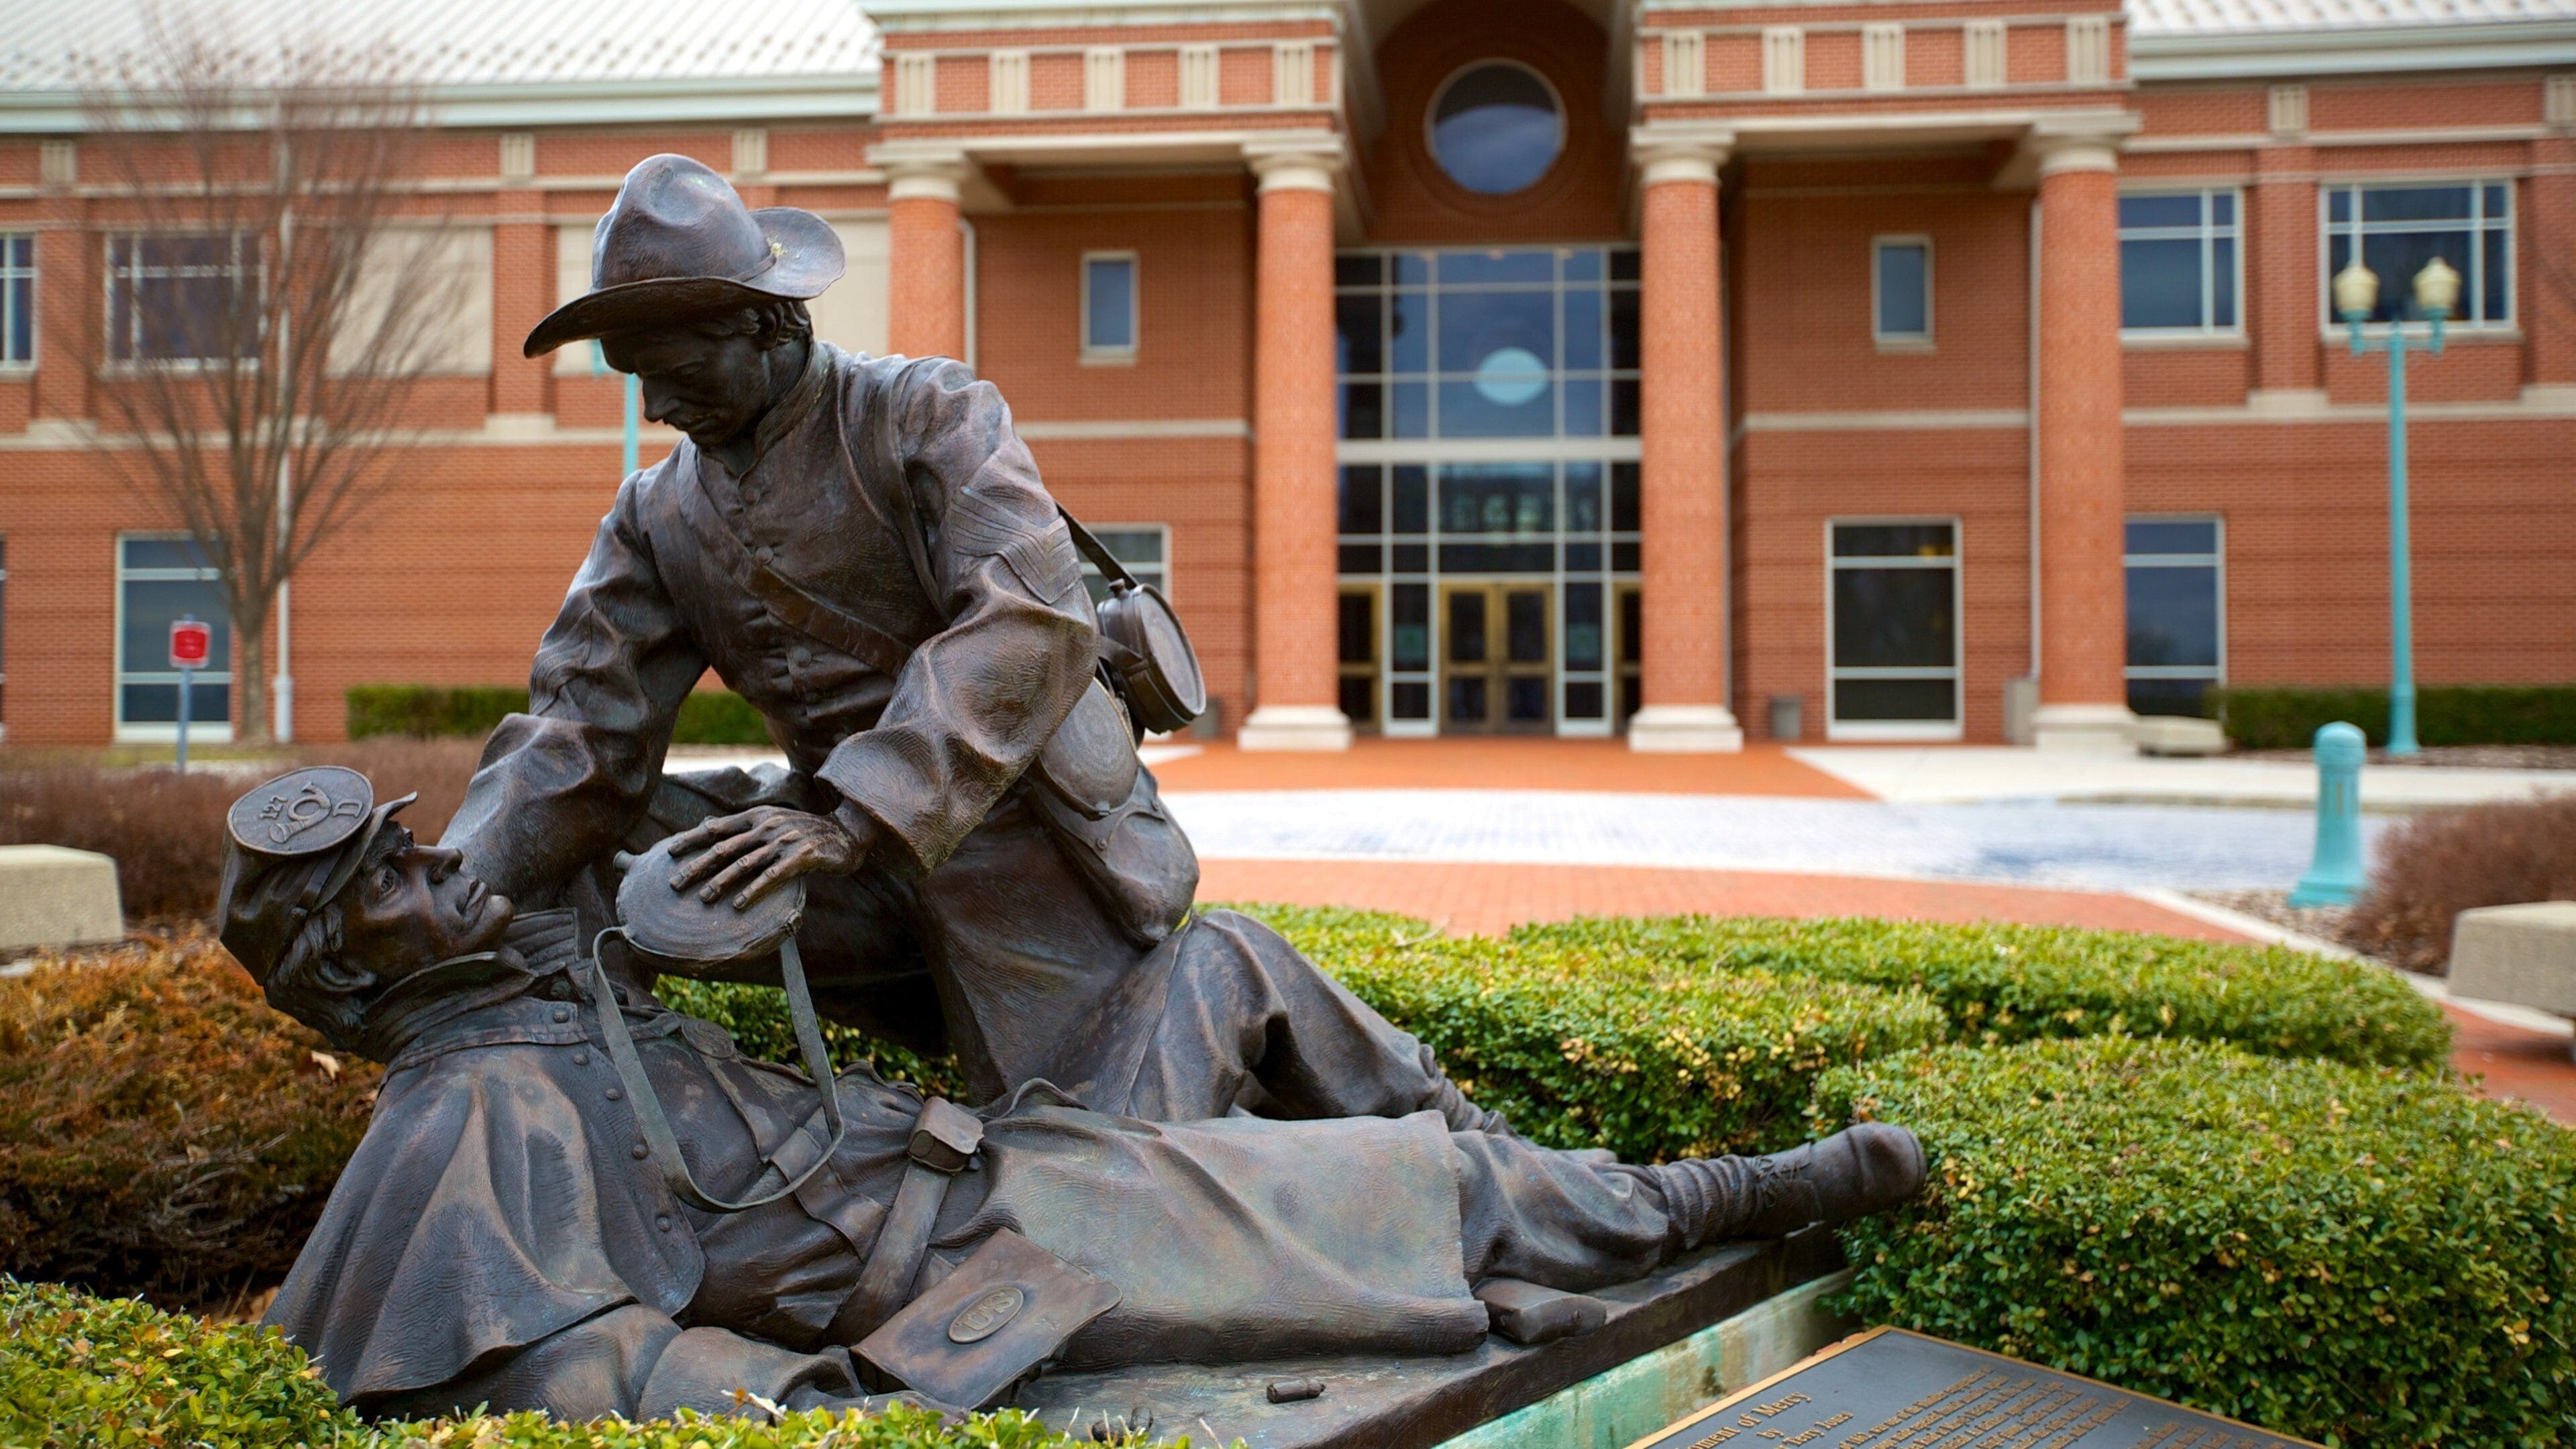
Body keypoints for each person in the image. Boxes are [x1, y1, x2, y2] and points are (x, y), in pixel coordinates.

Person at [225, 767, 1927, 1424]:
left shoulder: (553, 981)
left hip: (1010, 1152)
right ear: (343, 969)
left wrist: (794, 816)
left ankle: (1502, 1223)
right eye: (387, 876)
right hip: (981, 1250)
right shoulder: (467, 1113)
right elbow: (550, 1354)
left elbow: (628, 803)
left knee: (1223, 961)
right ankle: (1715, 1200)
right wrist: (819, 1392)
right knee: (1412, 1195)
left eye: (406, 834)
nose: (436, 855)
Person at [445, 152, 1507, 1131]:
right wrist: (438, 891)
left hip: (1020, 856)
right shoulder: (655, 513)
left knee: (1093, 1171)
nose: (659, 403)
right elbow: (577, 730)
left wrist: (862, 814)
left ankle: (1256, 1002)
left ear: (769, 324)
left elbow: (1034, 617)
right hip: (841, 863)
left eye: (677, 368)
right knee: (584, 843)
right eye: (635, 375)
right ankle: (609, 1138)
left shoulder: (924, 414)